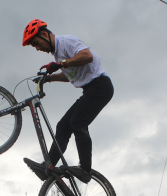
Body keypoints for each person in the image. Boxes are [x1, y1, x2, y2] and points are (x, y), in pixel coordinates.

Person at [22, 19, 114, 183]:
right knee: (63, 126)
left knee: (77, 122)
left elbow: (87, 56)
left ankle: (85, 170)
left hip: (100, 87)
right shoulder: (58, 54)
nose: (38, 48)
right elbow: (70, 75)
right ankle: (47, 168)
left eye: (37, 43)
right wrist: (48, 79)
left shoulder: (66, 42)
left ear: (44, 34)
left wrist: (60, 63)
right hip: (90, 90)